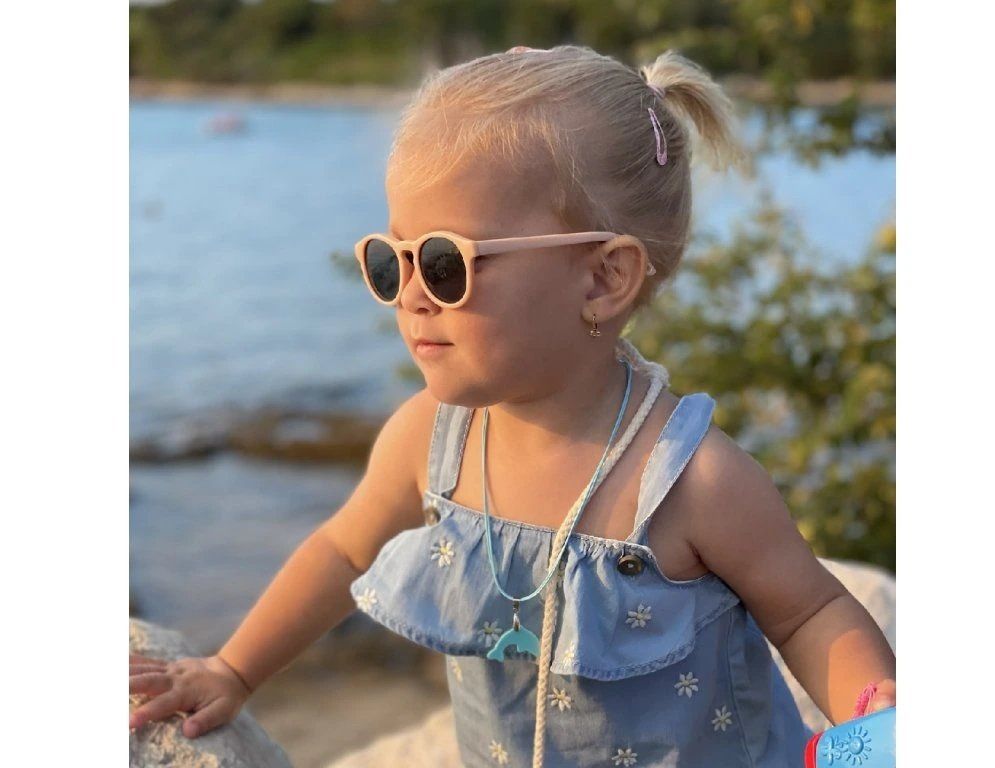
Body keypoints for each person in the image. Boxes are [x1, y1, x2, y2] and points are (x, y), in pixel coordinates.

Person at [129, 45, 895, 767]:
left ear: (603, 279)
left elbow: (808, 613)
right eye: (392, 261)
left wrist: (872, 714)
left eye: (445, 263)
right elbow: (343, 552)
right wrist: (233, 669)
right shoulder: (433, 441)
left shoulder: (689, 481)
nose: (412, 296)